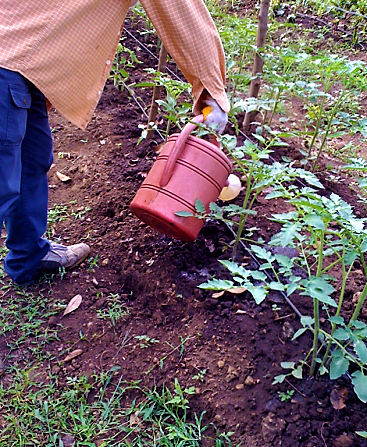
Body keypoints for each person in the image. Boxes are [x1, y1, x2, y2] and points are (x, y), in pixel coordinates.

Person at [0, 0, 230, 286]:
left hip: (23, 65)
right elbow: (179, 7)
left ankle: (29, 258)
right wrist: (211, 89)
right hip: (8, 59)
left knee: (30, 159)